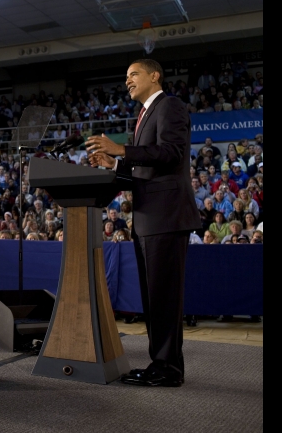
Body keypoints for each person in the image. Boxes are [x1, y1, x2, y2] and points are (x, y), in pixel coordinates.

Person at [86, 59, 201, 388]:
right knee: (154, 299)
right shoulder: (145, 116)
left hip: (166, 217)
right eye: (125, 77)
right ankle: (160, 364)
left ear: (155, 75)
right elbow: (144, 172)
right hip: (150, 219)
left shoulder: (169, 105)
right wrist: (115, 163)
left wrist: (122, 149)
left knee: (164, 298)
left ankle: (168, 369)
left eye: (133, 74)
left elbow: (171, 153)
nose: (128, 81)